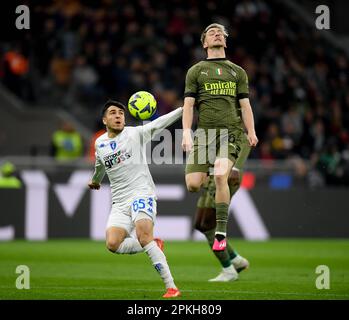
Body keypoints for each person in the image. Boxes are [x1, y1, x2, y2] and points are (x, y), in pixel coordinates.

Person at [88, 100, 182, 298]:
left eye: (121, 113)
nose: (118, 116)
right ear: (104, 120)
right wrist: (96, 181)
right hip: (120, 202)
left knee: (143, 236)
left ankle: (171, 287)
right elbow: (100, 164)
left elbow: (159, 123)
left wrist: (184, 109)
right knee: (113, 244)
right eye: (113, 113)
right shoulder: (100, 142)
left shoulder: (134, 134)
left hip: (142, 193)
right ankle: (153, 242)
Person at [182, 23, 258, 253]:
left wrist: (251, 131)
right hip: (205, 135)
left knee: (221, 175)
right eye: (211, 32)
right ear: (204, 43)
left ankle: (221, 233)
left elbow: (245, 105)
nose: (217, 34)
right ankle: (213, 186)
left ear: (225, 41)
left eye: (221, 33)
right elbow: (188, 104)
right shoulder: (196, 71)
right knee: (193, 184)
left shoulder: (238, 72)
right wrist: (186, 132)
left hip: (231, 133)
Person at [195, 137, 251, 281]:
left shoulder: (228, 118)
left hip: (225, 175)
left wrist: (236, 167)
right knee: (200, 225)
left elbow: (245, 139)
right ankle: (235, 259)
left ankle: (228, 269)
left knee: (208, 224)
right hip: (212, 174)